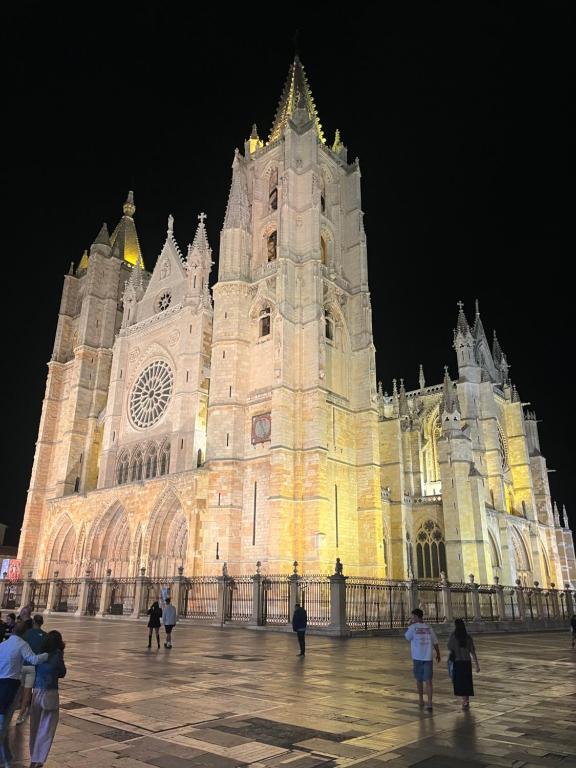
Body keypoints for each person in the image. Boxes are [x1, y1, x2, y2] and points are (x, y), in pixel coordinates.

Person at [0, 621, 48, 767]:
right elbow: (33, 659)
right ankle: (7, 759)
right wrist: (47, 655)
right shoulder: (22, 644)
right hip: (11, 686)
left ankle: (7, 759)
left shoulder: (3, 645)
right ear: (24, 633)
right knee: (4, 724)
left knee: (3, 724)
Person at [29, 630, 66, 768]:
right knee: (47, 727)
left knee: (35, 726)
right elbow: (62, 672)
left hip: (37, 691)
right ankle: (39, 759)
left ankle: (33, 756)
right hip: (50, 692)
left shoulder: (40, 654)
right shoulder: (57, 655)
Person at [404, 608, 440, 712]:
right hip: (428, 657)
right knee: (429, 681)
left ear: (415, 617)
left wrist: (409, 624)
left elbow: (407, 637)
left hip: (417, 657)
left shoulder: (413, 627)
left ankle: (420, 700)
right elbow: (435, 642)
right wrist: (438, 654)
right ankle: (430, 703)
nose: (411, 618)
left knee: (419, 680)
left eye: (412, 617)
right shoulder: (429, 627)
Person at [18, 616, 48, 724]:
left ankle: (19, 707)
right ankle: (21, 714)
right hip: (33, 667)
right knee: (27, 691)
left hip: (23, 665)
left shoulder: (27, 633)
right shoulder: (45, 635)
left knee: (19, 691)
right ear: (42, 623)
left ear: (34, 622)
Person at [447, 618, 480, 710]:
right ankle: (466, 700)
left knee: (460, 682)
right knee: (467, 681)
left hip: (458, 662)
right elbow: (473, 652)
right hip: (467, 662)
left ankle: (464, 700)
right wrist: (477, 665)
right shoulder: (468, 637)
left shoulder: (453, 636)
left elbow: (449, 647)